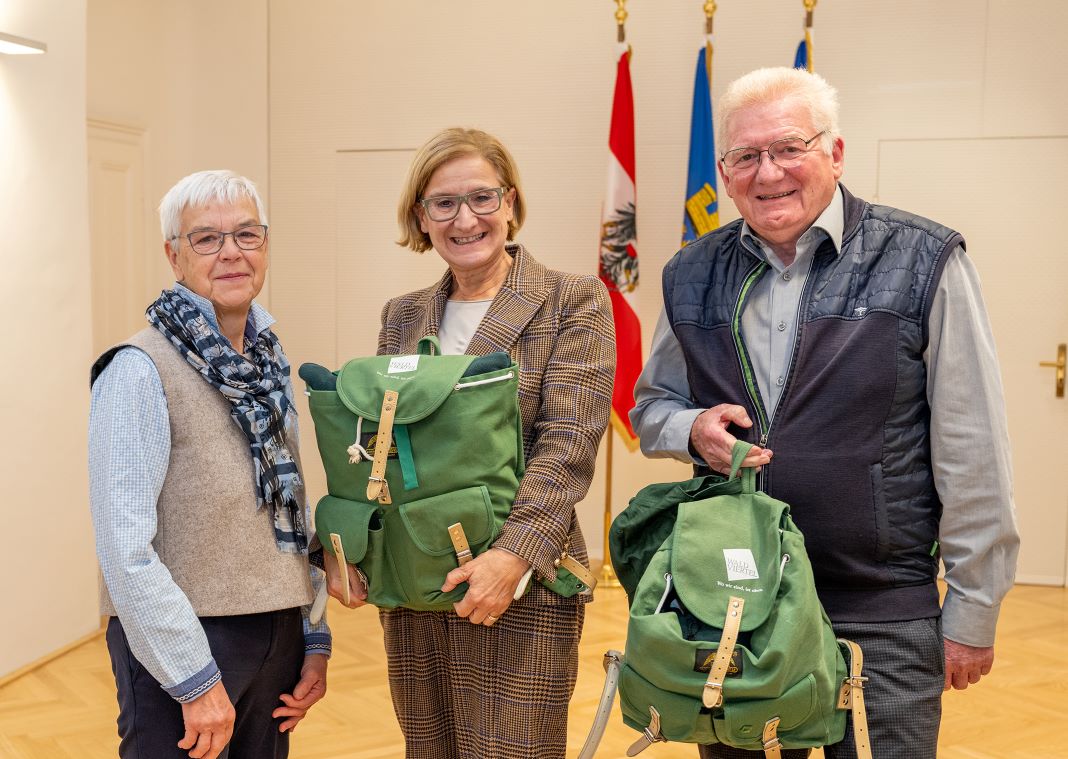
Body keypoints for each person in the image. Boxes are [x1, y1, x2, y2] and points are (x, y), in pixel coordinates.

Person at [631, 67, 1019, 759]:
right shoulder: (690, 273)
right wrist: (689, 430)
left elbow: (972, 448)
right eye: (746, 157)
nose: (768, 172)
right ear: (723, 171)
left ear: (835, 153)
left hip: (880, 615)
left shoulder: (925, 260)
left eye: (789, 148)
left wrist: (973, 606)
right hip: (735, 603)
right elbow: (652, 405)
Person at [322, 126, 615, 759]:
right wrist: (362, 550)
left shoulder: (573, 300)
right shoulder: (402, 314)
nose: (465, 219)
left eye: (482, 198)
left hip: (523, 587)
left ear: (509, 201)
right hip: (417, 586)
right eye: (444, 203)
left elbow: (567, 446)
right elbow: (389, 449)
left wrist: (510, 558)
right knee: (427, 747)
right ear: (421, 217)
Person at [88, 170, 331, 759]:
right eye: (207, 238)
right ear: (174, 256)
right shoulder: (137, 371)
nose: (231, 252)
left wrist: (313, 636)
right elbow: (124, 548)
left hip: (275, 635)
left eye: (247, 234)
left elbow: (291, 512)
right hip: (183, 645)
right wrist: (193, 678)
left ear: (265, 247)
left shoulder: (269, 362)